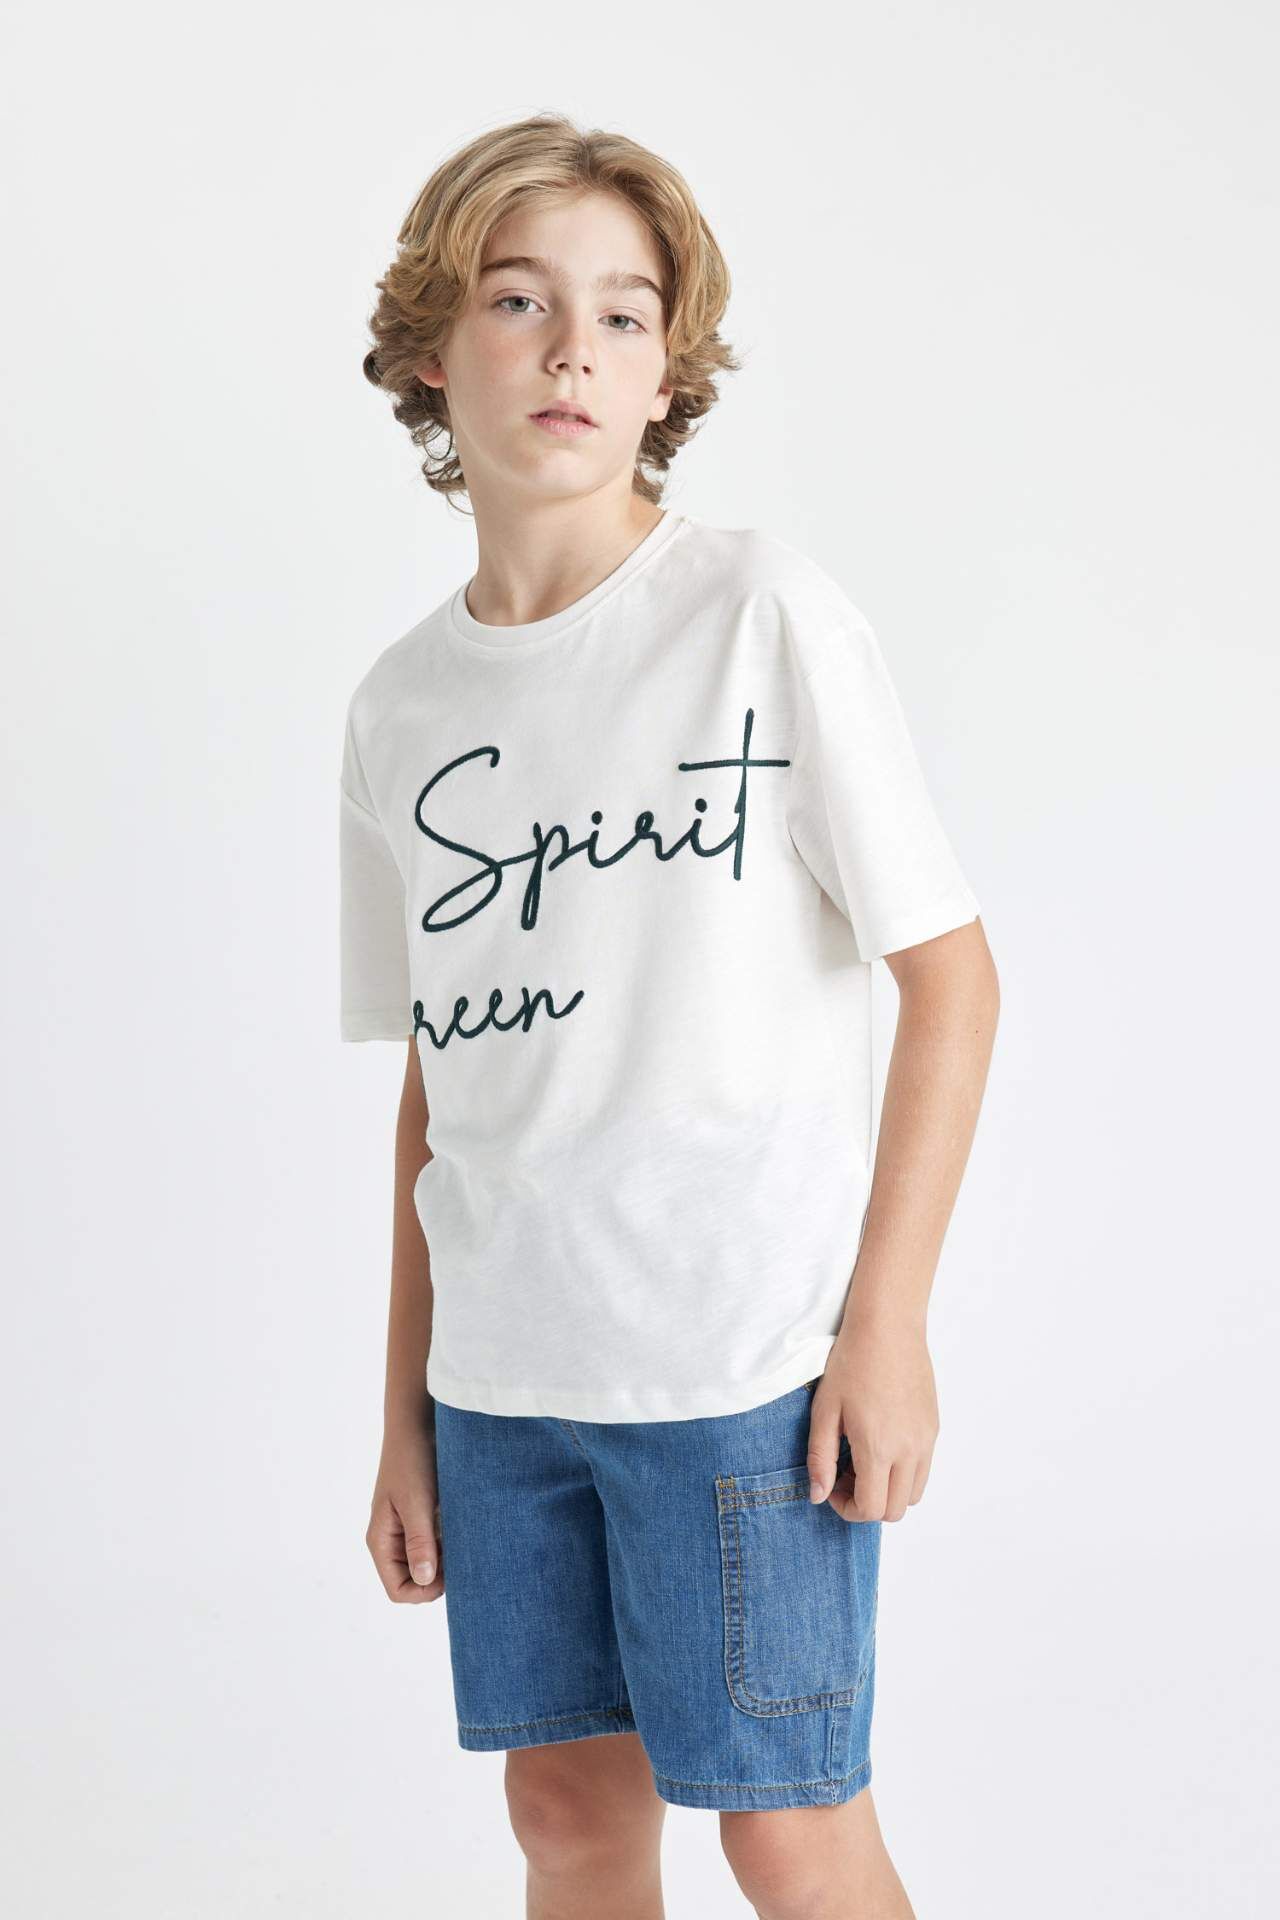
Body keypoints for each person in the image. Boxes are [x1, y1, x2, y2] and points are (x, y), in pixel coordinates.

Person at [339, 112, 1000, 1920]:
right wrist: (405, 1416)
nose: (573, 349)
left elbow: (950, 976)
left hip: (740, 1371)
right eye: (519, 299)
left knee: (788, 1826)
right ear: (429, 350)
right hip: (503, 1389)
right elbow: (435, 1089)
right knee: (566, 1816)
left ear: (668, 373)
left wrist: (887, 1327)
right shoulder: (403, 708)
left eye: (623, 316)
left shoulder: (756, 615)